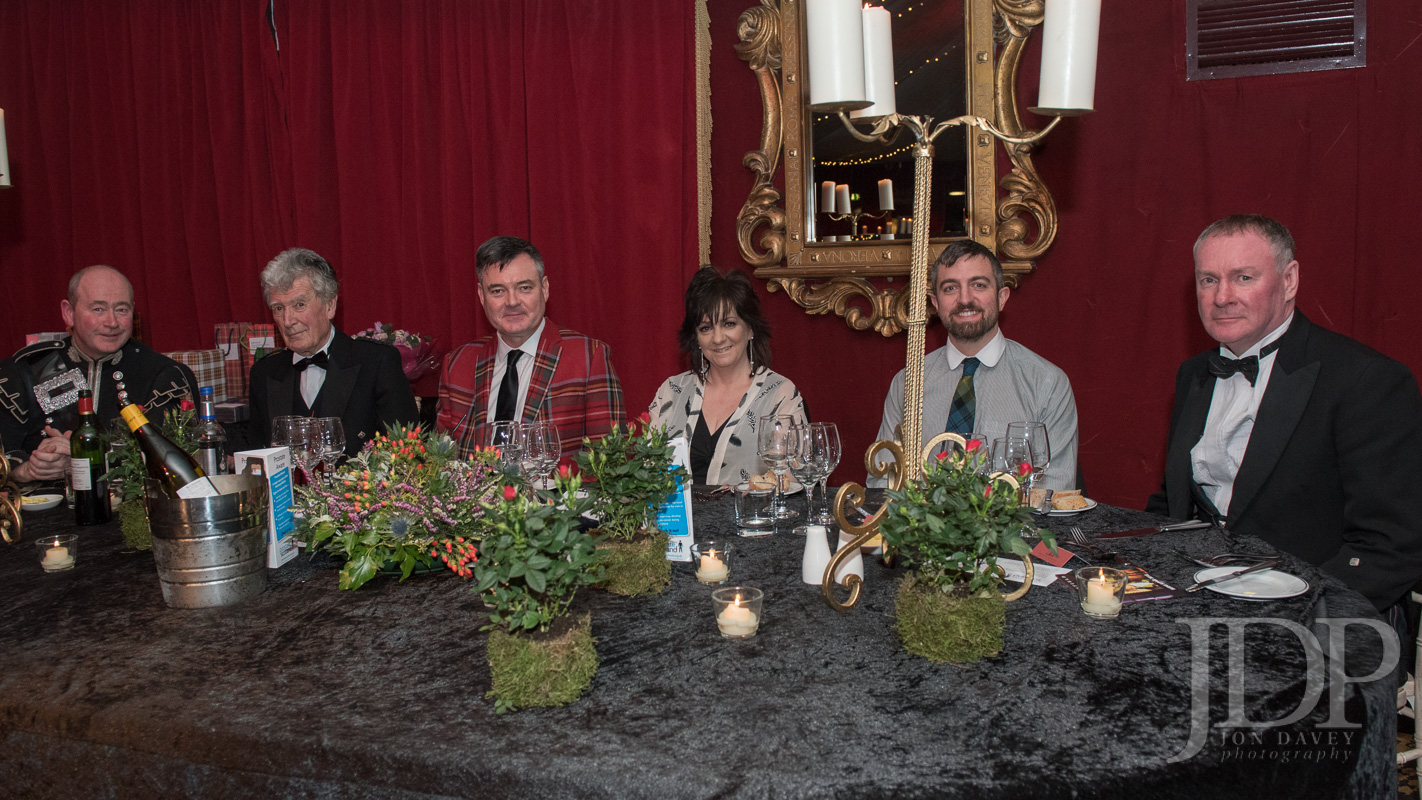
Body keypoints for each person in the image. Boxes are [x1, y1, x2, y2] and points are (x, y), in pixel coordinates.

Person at [1147, 214, 1422, 612]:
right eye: (1209, 280)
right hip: (1198, 603)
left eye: (1243, 277)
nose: (1222, 297)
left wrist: (1299, 616)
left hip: (1318, 616)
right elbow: (1173, 503)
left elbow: (1393, 545)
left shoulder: (1367, 380)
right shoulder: (1193, 374)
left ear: (1289, 280)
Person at [871, 240, 1079, 489]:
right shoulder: (907, 383)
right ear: (936, 304)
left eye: (978, 285)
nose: (965, 299)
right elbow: (884, 482)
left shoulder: (1046, 383)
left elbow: (1054, 491)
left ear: (1002, 298)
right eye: (950, 288)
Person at [0, 265, 198, 482]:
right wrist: (27, 470)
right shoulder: (23, 372)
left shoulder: (165, 376)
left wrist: (82, 457)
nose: (112, 322)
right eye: (98, 309)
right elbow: (7, 453)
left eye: (121, 309)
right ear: (69, 313)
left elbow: (174, 460)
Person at [437, 236, 624, 462]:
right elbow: (441, 464)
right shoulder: (457, 364)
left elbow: (612, 465)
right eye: (498, 291)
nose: (512, 301)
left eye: (524, 288)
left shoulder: (588, 357)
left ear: (544, 289)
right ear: (481, 296)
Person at [242, 248, 418, 456]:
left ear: (330, 306)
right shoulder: (264, 373)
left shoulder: (376, 363)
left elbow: (407, 458)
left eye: (299, 305)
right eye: (278, 308)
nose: (287, 321)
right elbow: (259, 460)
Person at [648, 267, 807, 485]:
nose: (718, 338)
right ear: (695, 337)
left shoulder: (780, 393)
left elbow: (795, 480)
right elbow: (647, 476)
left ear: (750, 329)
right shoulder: (671, 392)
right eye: (705, 328)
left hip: (753, 518)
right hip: (677, 520)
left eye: (729, 324)